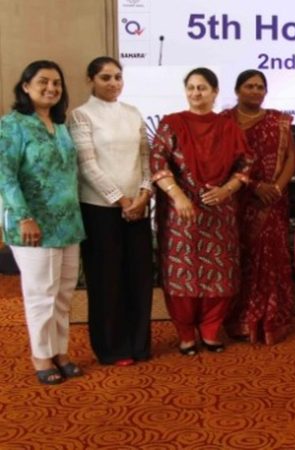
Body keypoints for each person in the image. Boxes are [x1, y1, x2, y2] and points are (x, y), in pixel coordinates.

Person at [150, 67, 252, 355]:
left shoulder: (228, 127)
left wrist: (226, 190)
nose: (196, 93)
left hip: (219, 212)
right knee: (181, 272)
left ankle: (210, 330)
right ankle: (185, 333)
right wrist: (178, 196)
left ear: (215, 92)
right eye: (191, 87)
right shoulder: (172, 123)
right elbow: (158, 162)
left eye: (202, 88)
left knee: (220, 272)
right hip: (181, 213)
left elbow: (245, 165)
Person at [0, 60, 85, 384]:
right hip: (33, 226)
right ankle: (41, 356)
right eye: (43, 82)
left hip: (68, 224)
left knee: (63, 295)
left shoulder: (60, 124)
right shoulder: (12, 125)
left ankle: (60, 352)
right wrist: (24, 217)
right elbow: (5, 176)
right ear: (26, 86)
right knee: (41, 295)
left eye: (56, 83)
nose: (51, 88)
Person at [68, 56, 152, 366]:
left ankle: (139, 344)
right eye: (105, 77)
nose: (113, 83)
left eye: (118, 77)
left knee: (139, 278)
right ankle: (112, 347)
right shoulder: (81, 115)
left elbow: (146, 158)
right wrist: (121, 201)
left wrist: (144, 193)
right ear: (90, 80)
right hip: (100, 209)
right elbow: (87, 165)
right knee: (107, 281)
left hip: (138, 207)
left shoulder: (132, 112)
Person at [221, 70, 295, 345]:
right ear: (237, 90)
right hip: (236, 199)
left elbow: (291, 157)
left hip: (272, 201)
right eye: (249, 86)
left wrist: (277, 188)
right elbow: (221, 161)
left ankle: (270, 320)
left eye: (260, 87)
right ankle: (240, 321)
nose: (255, 91)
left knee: (271, 259)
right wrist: (253, 185)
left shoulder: (278, 120)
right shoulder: (224, 122)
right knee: (241, 258)